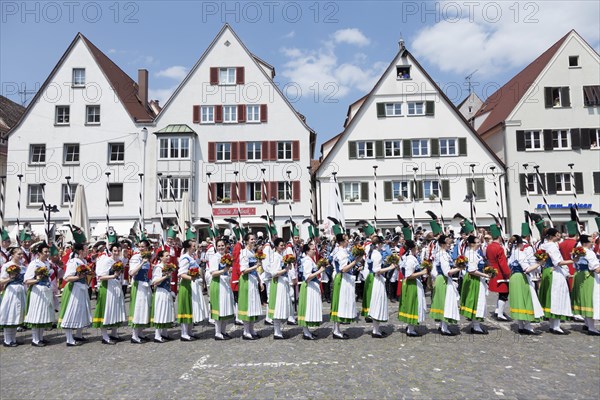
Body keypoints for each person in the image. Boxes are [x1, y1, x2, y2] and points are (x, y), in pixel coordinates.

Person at [538, 228, 574, 334]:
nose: (559, 236)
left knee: (551, 297)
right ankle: (556, 326)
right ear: (552, 236)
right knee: (557, 297)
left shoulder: (542, 245)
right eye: (557, 235)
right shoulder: (552, 246)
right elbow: (558, 262)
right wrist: (573, 261)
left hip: (547, 271)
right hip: (554, 273)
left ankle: (553, 325)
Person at [507, 235, 544, 335]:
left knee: (519, 300)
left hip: (514, 277)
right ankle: (528, 326)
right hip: (521, 278)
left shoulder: (512, 254)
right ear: (520, 244)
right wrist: (539, 263)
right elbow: (526, 269)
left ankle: (520, 325)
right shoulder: (520, 254)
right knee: (527, 299)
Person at [58, 243, 92, 346]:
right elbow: (67, 278)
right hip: (74, 289)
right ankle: (69, 339)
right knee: (71, 312)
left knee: (81, 311)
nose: (88, 251)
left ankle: (79, 334)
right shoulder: (73, 262)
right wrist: (79, 277)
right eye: (86, 249)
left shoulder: (84, 261)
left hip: (82, 288)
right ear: (80, 251)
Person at [92, 243, 127, 344]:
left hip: (116, 287)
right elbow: (100, 277)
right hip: (107, 288)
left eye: (118, 251)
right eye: (115, 250)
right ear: (111, 251)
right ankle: (105, 336)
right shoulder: (106, 260)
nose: (116, 253)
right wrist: (113, 276)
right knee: (107, 311)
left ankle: (114, 333)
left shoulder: (119, 261)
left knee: (115, 310)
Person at [23, 242, 56, 346]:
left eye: (48, 252)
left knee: (43, 314)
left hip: (46, 290)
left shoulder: (46, 263)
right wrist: (37, 280)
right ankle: (35, 339)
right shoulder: (34, 264)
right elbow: (27, 281)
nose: (47, 253)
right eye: (45, 252)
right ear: (39, 253)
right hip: (37, 292)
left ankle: (41, 337)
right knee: (37, 314)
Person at [330, 234, 362, 339]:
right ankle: (336, 330)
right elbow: (343, 269)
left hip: (342, 276)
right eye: (346, 240)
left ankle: (337, 329)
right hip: (342, 277)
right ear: (341, 242)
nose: (348, 241)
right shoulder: (340, 252)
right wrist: (355, 262)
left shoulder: (340, 250)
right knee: (340, 303)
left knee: (340, 302)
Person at [429, 235, 462, 335]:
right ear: (442, 244)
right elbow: (447, 272)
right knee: (446, 303)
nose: (450, 245)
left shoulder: (442, 253)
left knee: (444, 302)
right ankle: (444, 328)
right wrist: (459, 268)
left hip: (441, 279)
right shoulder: (443, 254)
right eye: (448, 243)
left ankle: (442, 326)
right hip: (444, 280)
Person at [459, 235, 492, 334]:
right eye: (477, 242)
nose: (480, 244)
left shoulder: (474, 253)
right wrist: (485, 275)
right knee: (477, 301)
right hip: (474, 280)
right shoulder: (471, 254)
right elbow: (472, 270)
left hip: (477, 279)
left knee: (478, 300)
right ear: (472, 244)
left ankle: (475, 324)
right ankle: (476, 326)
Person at [178, 239, 209, 341]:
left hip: (193, 285)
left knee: (192, 308)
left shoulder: (191, 257)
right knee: (186, 308)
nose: (195, 247)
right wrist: (192, 278)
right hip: (187, 285)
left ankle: (190, 332)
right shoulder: (185, 258)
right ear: (188, 247)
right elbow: (181, 274)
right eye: (193, 246)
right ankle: (184, 333)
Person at [368, 236, 397, 338]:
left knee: (377, 303)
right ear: (379, 244)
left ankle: (376, 329)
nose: (383, 246)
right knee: (377, 303)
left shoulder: (374, 253)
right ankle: (375, 331)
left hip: (377, 279)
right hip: (377, 279)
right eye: (382, 244)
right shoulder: (377, 255)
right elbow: (377, 270)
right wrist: (390, 267)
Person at [398, 240, 428, 337]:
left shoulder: (405, 257)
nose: (417, 249)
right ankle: (410, 329)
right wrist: (423, 272)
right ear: (412, 248)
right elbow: (409, 275)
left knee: (411, 304)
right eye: (416, 247)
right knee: (413, 304)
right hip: (412, 284)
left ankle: (410, 327)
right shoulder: (410, 259)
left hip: (410, 283)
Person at [571, 235, 600, 335]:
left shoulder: (576, 251)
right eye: (591, 241)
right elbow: (596, 269)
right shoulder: (589, 253)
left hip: (579, 276)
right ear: (585, 242)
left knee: (583, 299)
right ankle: (591, 328)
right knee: (590, 300)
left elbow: (574, 264)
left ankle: (587, 324)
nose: (592, 243)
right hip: (588, 278)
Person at [209, 239, 235, 340]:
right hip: (218, 283)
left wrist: (228, 271)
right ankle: (217, 332)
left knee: (225, 308)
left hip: (225, 283)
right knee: (219, 308)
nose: (221, 247)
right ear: (216, 247)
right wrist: (224, 270)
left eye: (222, 245)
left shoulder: (226, 256)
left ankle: (223, 331)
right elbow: (213, 273)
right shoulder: (215, 258)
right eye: (219, 246)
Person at [238, 233, 263, 340]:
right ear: (247, 241)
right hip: (246, 281)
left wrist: (260, 281)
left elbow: (255, 269)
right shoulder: (244, 253)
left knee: (253, 305)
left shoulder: (253, 252)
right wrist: (256, 266)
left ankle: (251, 330)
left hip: (253, 280)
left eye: (254, 239)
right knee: (247, 305)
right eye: (251, 239)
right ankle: (246, 331)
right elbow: (243, 270)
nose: (253, 241)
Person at [297, 243, 325, 340]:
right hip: (309, 286)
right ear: (307, 251)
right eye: (313, 249)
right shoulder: (307, 261)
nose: (315, 250)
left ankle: (307, 331)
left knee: (309, 308)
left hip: (312, 286)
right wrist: (320, 271)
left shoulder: (310, 260)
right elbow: (307, 277)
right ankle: (305, 332)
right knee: (307, 308)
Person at [0, 247, 26, 346]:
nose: (20, 256)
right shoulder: (7, 265)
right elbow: (1, 280)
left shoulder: (22, 266)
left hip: (20, 290)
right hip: (11, 291)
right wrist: (10, 278)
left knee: (17, 314)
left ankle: (13, 338)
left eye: (21, 254)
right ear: (13, 254)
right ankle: (7, 339)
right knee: (9, 313)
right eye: (18, 254)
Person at [128, 239, 152, 344]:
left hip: (145, 284)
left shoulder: (147, 258)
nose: (141, 248)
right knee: (137, 309)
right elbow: (132, 272)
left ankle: (141, 332)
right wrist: (142, 262)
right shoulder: (136, 257)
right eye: (140, 246)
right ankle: (134, 335)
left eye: (143, 247)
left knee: (144, 309)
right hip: (138, 285)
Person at [267, 238, 291, 339]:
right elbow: (274, 273)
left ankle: (278, 330)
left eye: (283, 245)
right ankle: (276, 331)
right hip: (278, 283)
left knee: (281, 306)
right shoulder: (276, 257)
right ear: (276, 246)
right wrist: (285, 269)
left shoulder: (281, 256)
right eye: (281, 245)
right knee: (278, 306)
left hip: (283, 282)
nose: (283, 247)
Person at [487, 225, 511, 321]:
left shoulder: (489, 247)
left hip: (493, 272)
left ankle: (498, 310)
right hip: (500, 273)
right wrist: (508, 273)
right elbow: (503, 263)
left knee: (501, 293)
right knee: (504, 293)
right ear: (500, 237)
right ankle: (500, 313)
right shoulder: (499, 248)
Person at [151, 250, 175, 343]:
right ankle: (157, 335)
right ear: (161, 257)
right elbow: (155, 282)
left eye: (169, 256)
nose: (168, 257)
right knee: (160, 312)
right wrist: (165, 276)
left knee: (166, 312)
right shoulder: (158, 267)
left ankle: (164, 333)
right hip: (160, 291)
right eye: (166, 256)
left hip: (167, 291)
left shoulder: (168, 267)